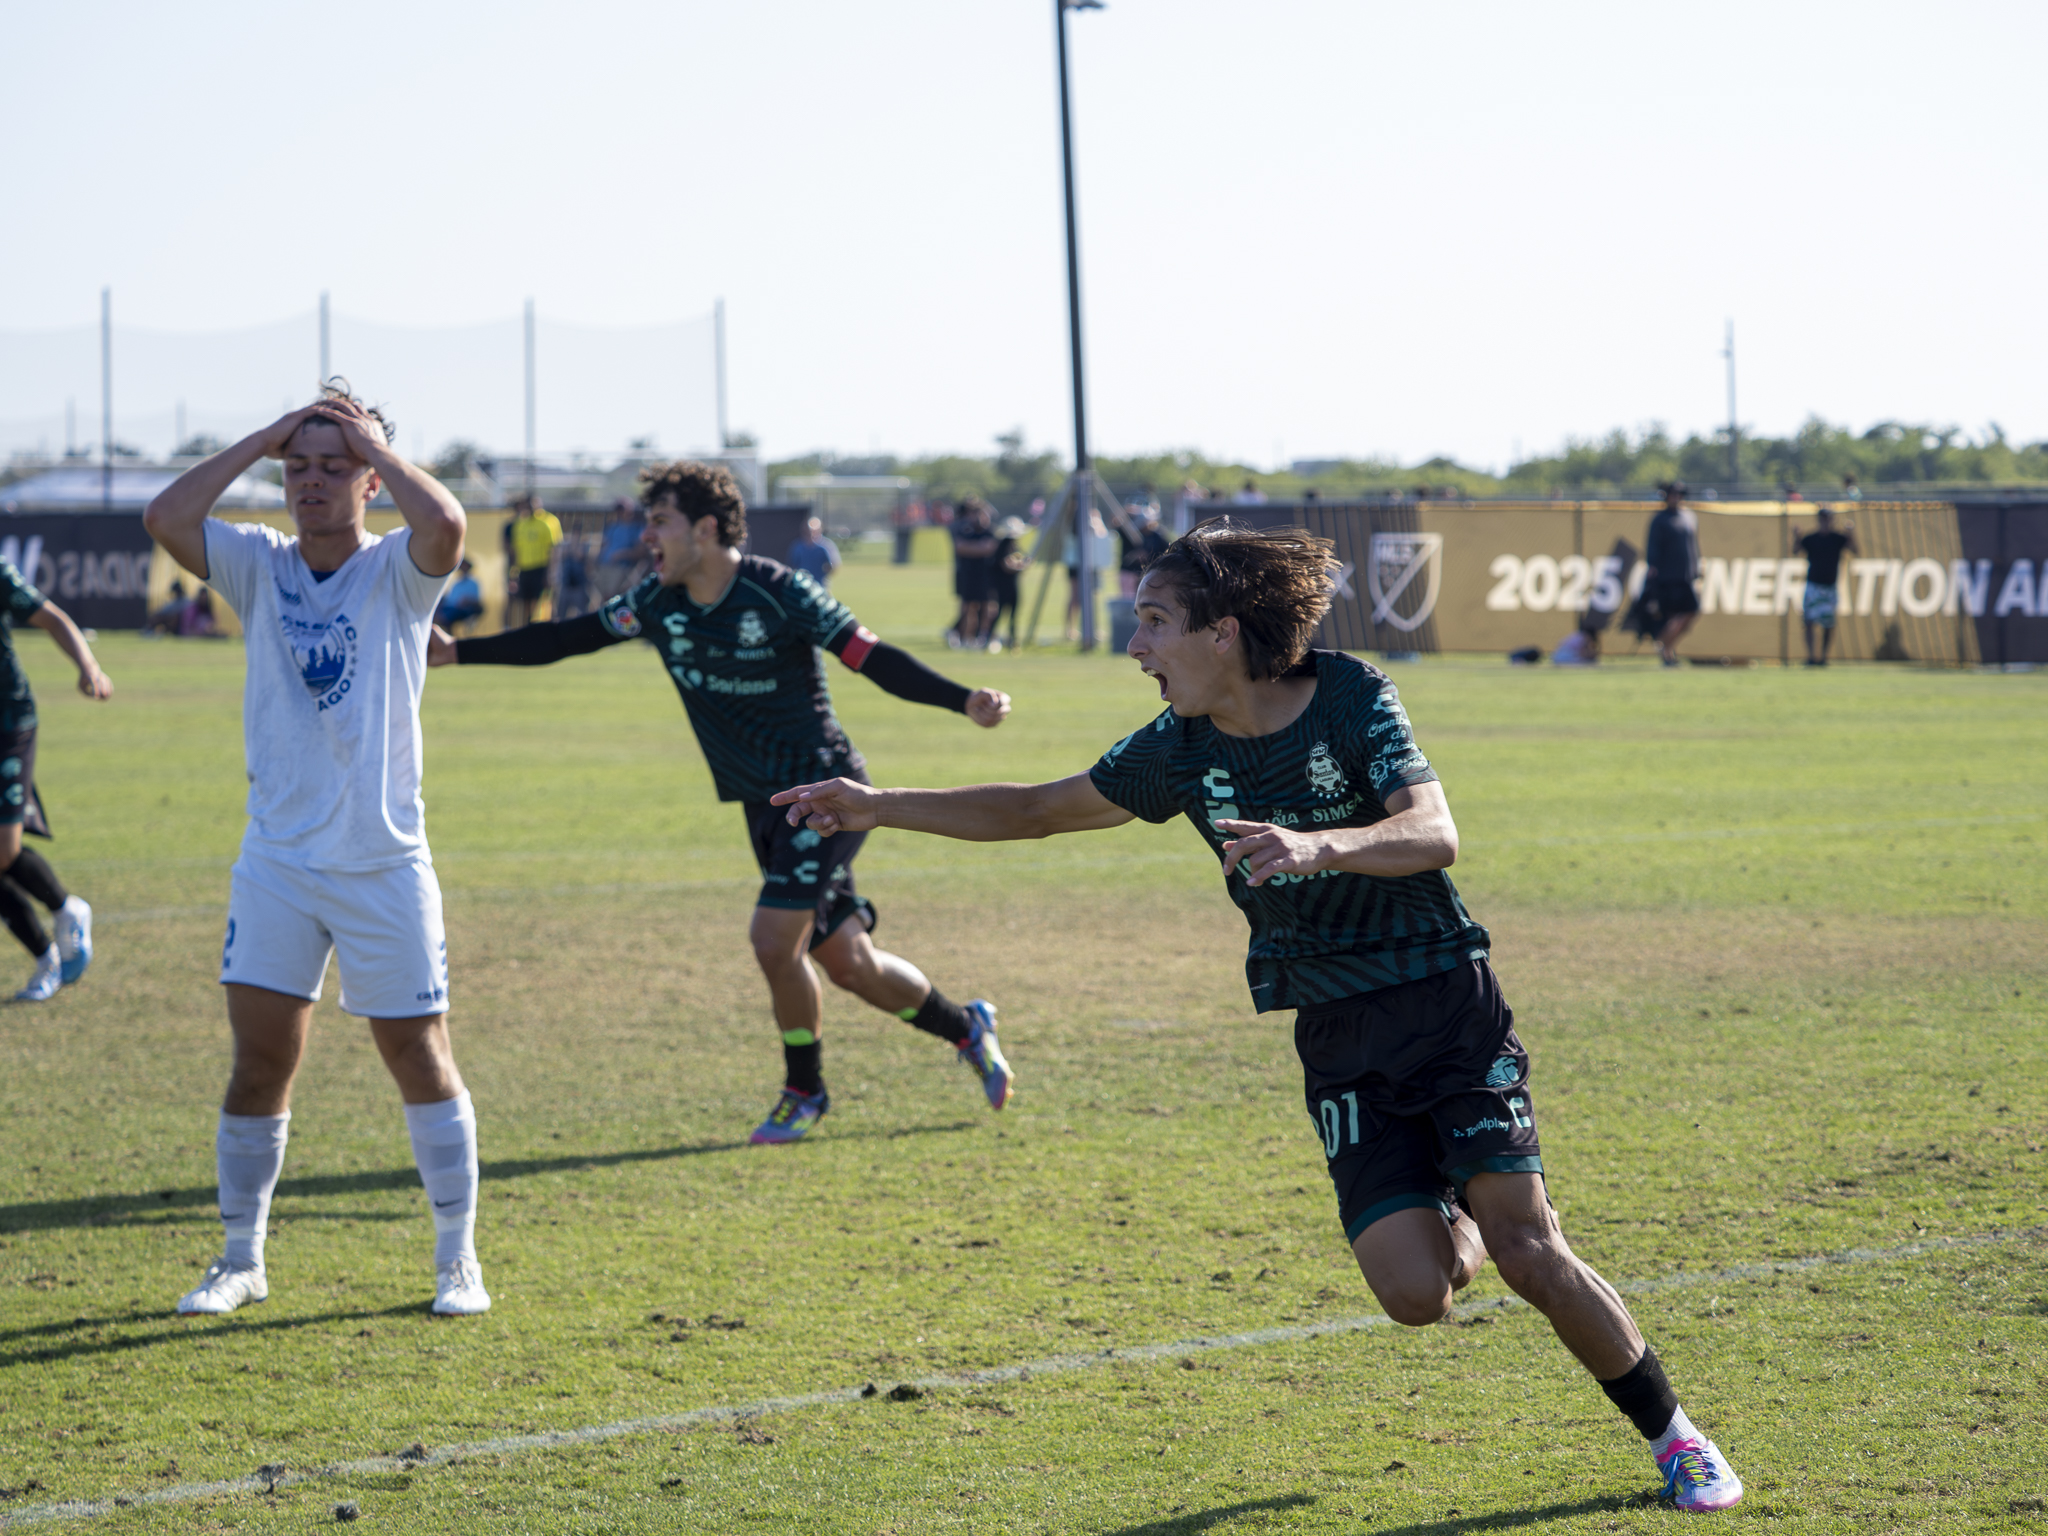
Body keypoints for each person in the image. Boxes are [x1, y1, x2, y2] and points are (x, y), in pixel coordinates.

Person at [772, 519, 1744, 1513]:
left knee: (1532, 1250)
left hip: (1442, 1000)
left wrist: (1322, 846)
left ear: (1222, 633)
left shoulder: (1350, 695)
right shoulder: (1178, 750)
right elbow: (1033, 808)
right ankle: (1464, 1220)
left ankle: (1676, 1441)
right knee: (1414, 1297)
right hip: (1333, 1032)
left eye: (1152, 623)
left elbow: (1432, 832)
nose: (1135, 647)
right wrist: (875, 803)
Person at [429, 460, 1017, 1146]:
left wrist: (962, 700)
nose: (646, 536)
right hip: (761, 804)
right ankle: (967, 1027)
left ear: (705, 529)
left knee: (773, 940)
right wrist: (458, 655)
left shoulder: (779, 593)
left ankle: (805, 1090)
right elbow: (566, 637)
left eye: (659, 522)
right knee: (848, 963)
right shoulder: (656, 601)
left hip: (825, 791)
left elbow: (870, 655)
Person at [143, 381, 490, 1319]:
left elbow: (449, 523)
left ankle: (457, 1259)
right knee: (260, 1064)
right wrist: (267, 433)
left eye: (334, 468)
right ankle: (239, 1260)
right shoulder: (258, 562)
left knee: (420, 1057)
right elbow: (166, 514)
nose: (312, 483)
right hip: (279, 864)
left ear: (372, 480)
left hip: (381, 862)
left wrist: (368, 443)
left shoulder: (400, 572)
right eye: (298, 468)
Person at [0, 556, 110, 1001]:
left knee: (2, 850)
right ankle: (46, 959)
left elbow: (52, 617)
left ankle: (67, 909)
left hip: (9, 723)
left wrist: (88, 667)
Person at [1643, 482, 1701, 667]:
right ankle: (1667, 652)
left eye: (1679, 494)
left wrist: (1697, 568)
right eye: (1673, 494)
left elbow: (1693, 547)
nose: (1676, 498)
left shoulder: (1688, 517)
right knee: (1672, 615)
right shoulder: (1660, 520)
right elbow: (1652, 549)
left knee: (1690, 612)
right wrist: (1654, 571)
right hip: (1668, 577)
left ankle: (1664, 644)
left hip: (1687, 576)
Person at [1792, 506, 1858, 666]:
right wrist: (1796, 537)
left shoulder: (1837, 538)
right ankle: (1811, 657)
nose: (1825, 522)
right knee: (1809, 622)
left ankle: (1823, 657)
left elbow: (1855, 550)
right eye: (1823, 519)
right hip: (1813, 585)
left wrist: (1851, 534)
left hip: (1830, 587)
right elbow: (1795, 551)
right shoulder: (1811, 538)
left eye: (1828, 518)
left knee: (1828, 624)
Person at [505, 494, 562, 629]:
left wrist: (551, 572)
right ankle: (529, 627)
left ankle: (551, 628)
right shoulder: (520, 524)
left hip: (542, 567)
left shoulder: (548, 521)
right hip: (525, 569)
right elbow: (516, 551)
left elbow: (554, 548)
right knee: (526, 601)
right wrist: (513, 573)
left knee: (545, 600)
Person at [949, 499, 998, 648]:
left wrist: (973, 548)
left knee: (987, 606)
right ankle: (964, 637)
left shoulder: (989, 531)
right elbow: (960, 547)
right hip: (967, 573)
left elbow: (990, 548)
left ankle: (983, 637)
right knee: (967, 606)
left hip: (986, 575)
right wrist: (979, 548)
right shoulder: (964, 529)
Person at [991, 516, 1029, 652]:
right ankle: (990, 638)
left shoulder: (1014, 546)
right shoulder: (1004, 546)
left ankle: (1012, 640)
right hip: (1004, 585)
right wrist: (1021, 566)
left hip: (1013, 585)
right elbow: (1007, 565)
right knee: (1001, 612)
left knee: (1013, 614)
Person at [787, 516, 842, 586]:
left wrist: (825, 575)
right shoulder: (798, 546)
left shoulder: (826, 546)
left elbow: (834, 564)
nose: (810, 533)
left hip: (820, 584)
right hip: (802, 585)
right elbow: (792, 565)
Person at [435, 558, 485, 633]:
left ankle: (449, 638)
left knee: (447, 617)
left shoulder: (474, 583)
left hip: (463, 609)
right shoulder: (456, 583)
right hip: (449, 607)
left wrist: (467, 601)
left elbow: (477, 601)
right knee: (436, 614)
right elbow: (449, 598)